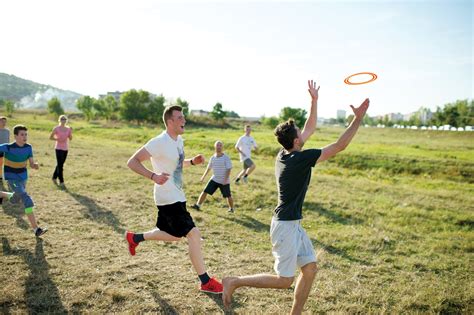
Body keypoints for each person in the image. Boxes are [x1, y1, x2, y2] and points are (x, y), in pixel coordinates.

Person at [222, 80, 370, 314]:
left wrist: (314, 101)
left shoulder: (285, 153)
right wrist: (358, 119)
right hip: (285, 226)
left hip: (292, 223)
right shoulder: (299, 160)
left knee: (309, 269)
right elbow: (340, 145)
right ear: (296, 142)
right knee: (284, 280)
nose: (305, 133)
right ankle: (234, 281)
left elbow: (309, 128)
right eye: (301, 134)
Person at [124, 105, 223, 294]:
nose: (183, 120)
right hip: (167, 197)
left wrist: (192, 162)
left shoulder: (179, 141)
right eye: (179, 118)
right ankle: (205, 281)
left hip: (177, 194)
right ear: (170, 122)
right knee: (193, 234)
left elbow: (176, 165)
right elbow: (132, 162)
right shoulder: (159, 142)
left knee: (175, 236)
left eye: (183, 116)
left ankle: (135, 237)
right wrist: (153, 176)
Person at [0, 125, 47, 237]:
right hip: (12, 178)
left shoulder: (28, 147)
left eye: (26, 134)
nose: (25, 137)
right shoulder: (8, 147)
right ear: (15, 136)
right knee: (26, 199)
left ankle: (1, 194)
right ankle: (36, 229)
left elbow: (31, 162)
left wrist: (34, 165)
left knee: (16, 199)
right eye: (22, 134)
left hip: (23, 177)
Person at [191, 140, 234, 213]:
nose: (219, 147)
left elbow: (229, 169)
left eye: (220, 145)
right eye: (217, 145)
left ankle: (231, 208)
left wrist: (225, 180)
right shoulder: (212, 158)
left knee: (228, 195)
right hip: (215, 179)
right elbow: (208, 168)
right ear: (215, 147)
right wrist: (203, 177)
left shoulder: (226, 157)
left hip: (224, 180)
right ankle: (198, 205)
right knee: (205, 191)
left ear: (222, 147)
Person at [49, 115, 72, 186]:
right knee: (60, 165)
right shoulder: (56, 128)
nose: (63, 120)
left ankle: (54, 177)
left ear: (66, 120)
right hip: (58, 148)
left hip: (65, 149)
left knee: (60, 164)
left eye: (64, 119)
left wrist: (71, 132)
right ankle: (61, 181)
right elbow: (50, 137)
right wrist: (57, 139)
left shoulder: (68, 129)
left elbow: (70, 138)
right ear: (60, 120)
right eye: (62, 119)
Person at [0, 116, 10, 185]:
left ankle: (1, 176)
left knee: (2, 164)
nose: (4, 123)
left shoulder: (7, 131)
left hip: (5, 150)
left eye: (5, 122)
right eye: (2, 121)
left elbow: (8, 140)